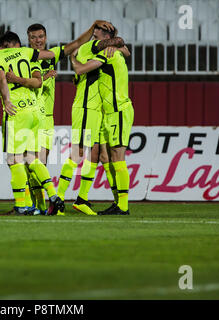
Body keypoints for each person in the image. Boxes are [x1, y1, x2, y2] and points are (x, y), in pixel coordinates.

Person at [6, 20, 116, 215]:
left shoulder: (50, 57)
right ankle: (31, 205)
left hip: (45, 119)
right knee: (23, 163)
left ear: (46, 38)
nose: (37, 40)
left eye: (40, 37)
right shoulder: (24, 58)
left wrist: (92, 29)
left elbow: (74, 44)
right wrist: (42, 78)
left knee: (38, 164)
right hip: (26, 114)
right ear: (28, 40)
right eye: (33, 38)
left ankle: (39, 206)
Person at [0, 33, 64, 216]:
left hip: (16, 112)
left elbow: (1, 79)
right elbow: (39, 80)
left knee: (14, 160)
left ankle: (21, 206)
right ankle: (54, 195)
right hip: (34, 112)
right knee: (32, 159)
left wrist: (7, 100)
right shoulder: (25, 52)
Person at [56, 27, 127, 216]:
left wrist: (119, 48)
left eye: (96, 37)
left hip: (95, 110)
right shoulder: (91, 48)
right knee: (78, 153)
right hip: (87, 107)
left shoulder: (96, 51)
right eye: (93, 36)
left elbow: (123, 47)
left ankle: (82, 199)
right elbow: (118, 43)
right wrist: (72, 58)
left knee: (99, 154)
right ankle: (58, 199)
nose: (93, 39)